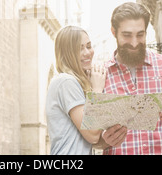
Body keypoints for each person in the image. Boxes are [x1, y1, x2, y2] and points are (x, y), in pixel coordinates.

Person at [98, 2, 162, 155]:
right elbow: (91, 139)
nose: (134, 43)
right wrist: (104, 140)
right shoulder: (99, 76)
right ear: (114, 32)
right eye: (127, 35)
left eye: (140, 35)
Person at [46, 26, 123, 154]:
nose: (87, 52)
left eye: (88, 46)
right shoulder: (66, 81)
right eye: (79, 48)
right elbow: (91, 134)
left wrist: (110, 138)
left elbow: (90, 138)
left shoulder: (73, 83)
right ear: (67, 53)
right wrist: (97, 90)